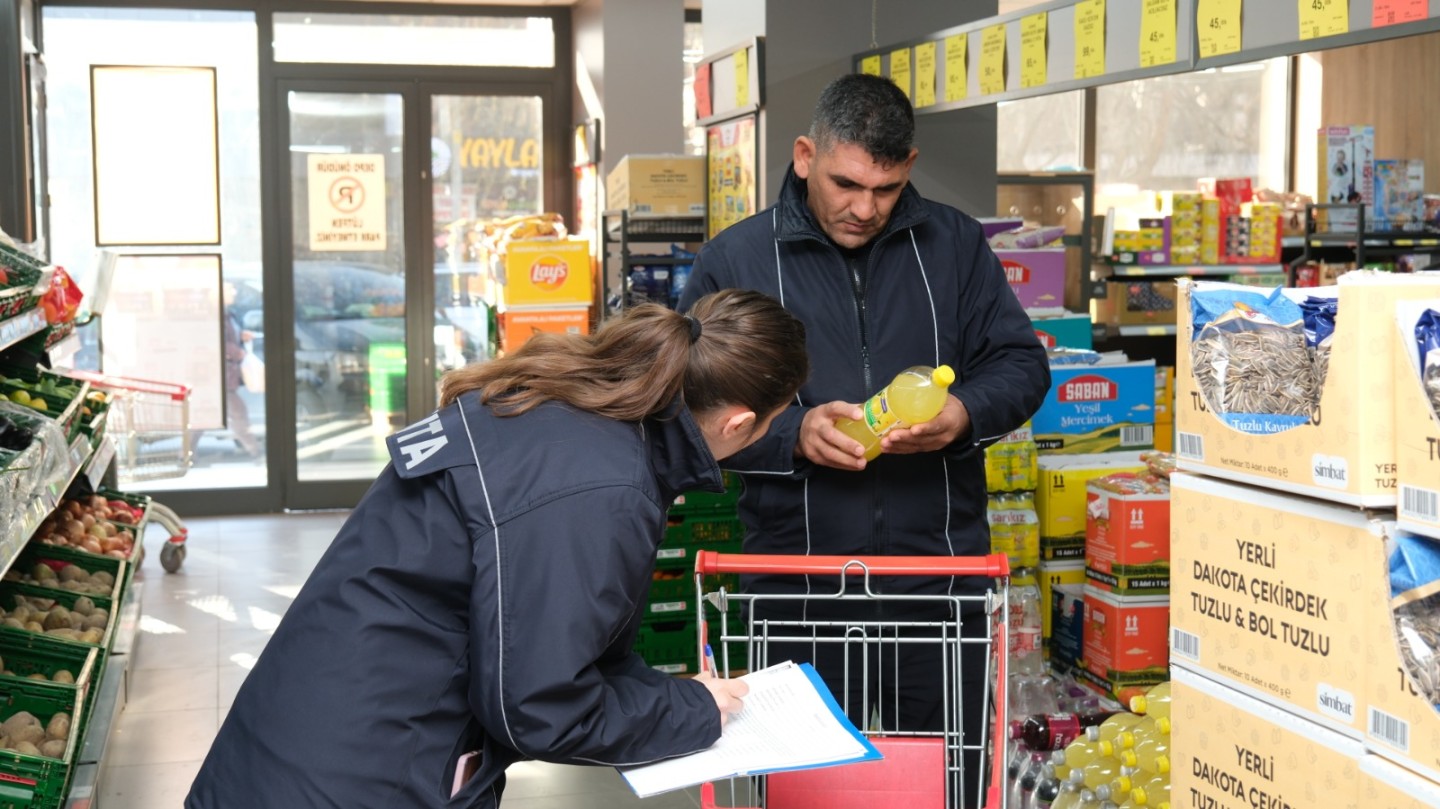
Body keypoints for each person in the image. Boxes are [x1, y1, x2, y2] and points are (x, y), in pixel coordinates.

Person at [186, 289, 810, 808]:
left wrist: (674, 697)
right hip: (370, 772)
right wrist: (693, 712)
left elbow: (551, 646)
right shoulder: (602, 487)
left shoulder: (559, 405)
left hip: (303, 731)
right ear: (737, 423)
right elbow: (539, 708)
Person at [678, 73, 1050, 805]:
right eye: (845, 183)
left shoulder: (954, 245)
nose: (864, 208)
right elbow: (689, 409)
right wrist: (793, 434)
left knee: (945, 783)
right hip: (797, 588)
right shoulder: (738, 259)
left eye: (885, 189)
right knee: (805, 790)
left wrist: (962, 414)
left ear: (908, 164)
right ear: (805, 155)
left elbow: (1021, 363)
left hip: (940, 587)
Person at [221, 282, 262, 459]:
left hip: (227, 374)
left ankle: (186, 452)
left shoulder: (229, 314)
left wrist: (240, 336)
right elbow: (217, 340)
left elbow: (228, 336)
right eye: (230, 289)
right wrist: (237, 352)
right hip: (220, 375)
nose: (234, 291)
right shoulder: (217, 315)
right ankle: (254, 450)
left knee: (210, 415)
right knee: (238, 413)